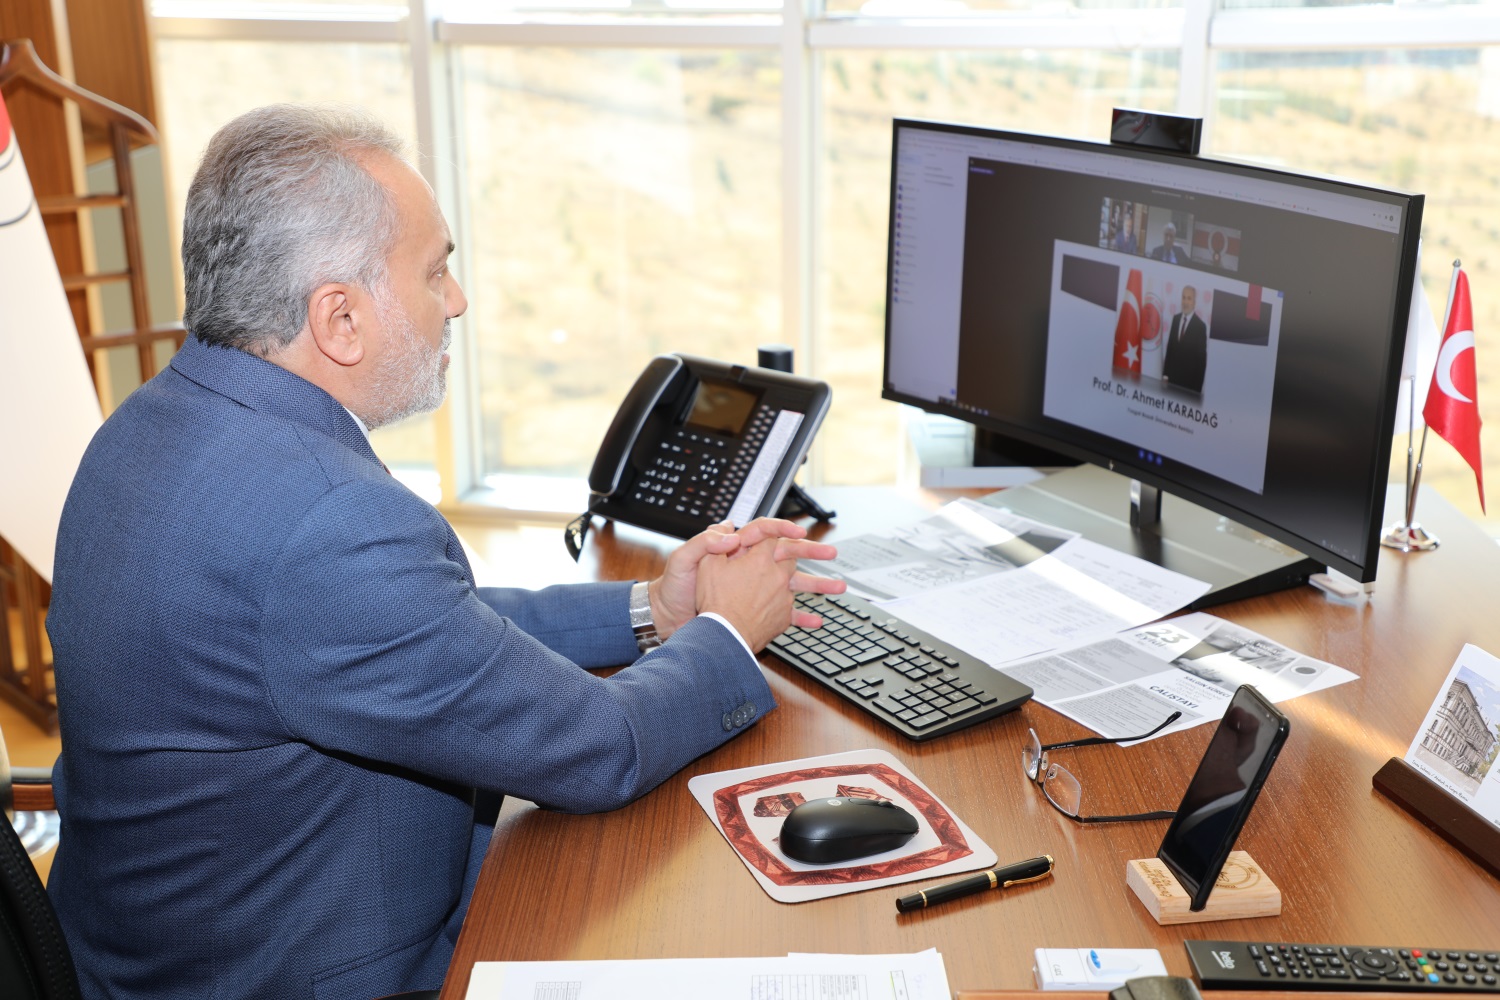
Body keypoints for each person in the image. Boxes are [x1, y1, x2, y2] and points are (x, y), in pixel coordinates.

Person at [46, 104, 846, 1000]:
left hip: (146, 952)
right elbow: (599, 748)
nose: (457, 299)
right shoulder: (328, 521)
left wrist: (652, 610)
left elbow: (413, 628)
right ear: (339, 319)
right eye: (435, 271)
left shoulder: (147, 427)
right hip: (288, 974)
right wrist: (727, 635)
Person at [1161, 285, 1208, 394]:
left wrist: (1196, 392)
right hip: (1171, 383)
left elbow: (1201, 364)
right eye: (1183, 297)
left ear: (1194, 302)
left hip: (1188, 387)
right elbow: (1170, 349)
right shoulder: (1175, 319)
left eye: (1189, 298)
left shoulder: (1200, 327)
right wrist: (1165, 375)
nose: (1185, 302)